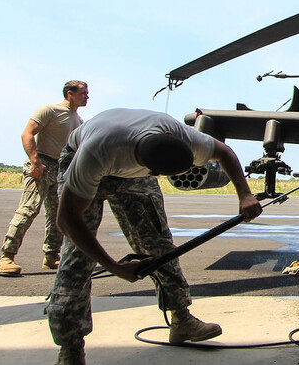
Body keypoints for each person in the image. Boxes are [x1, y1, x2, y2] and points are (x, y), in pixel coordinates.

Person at [46, 108, 261, 365]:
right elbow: (66, 221)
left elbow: (224, 152)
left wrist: (245, 194)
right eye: (157, 174)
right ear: (149, 169)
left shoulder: (183, 136)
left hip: (132, 158)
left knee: (159, 245)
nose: (157, 179)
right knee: (77, 259)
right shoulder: (96, 153)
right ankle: (70, 348)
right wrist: (114, 267)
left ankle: (181, 320)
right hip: (87, 158)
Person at [0, 81, 89, 275]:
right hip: (42, 165)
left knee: (57, 214)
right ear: (70, 94)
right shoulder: (50, 110)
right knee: (29, 209)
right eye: (84, 93)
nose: (87, 97)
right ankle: (6, 257)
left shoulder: (78, 120)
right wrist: (35, 162)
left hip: (62, 169)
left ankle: (51, 256)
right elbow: (27, 134)